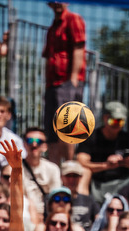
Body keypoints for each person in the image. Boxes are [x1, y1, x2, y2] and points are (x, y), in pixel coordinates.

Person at [42, 2, 85, 164]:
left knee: (68, 126)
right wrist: (46, 84)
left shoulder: (74, 19)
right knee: (52, 130)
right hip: (52, 85)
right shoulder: (52, 27)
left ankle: (69, 166)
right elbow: (48, 57)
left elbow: (78, 49)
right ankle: (54, 169)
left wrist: (73, 79)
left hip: (67, 82)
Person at [76, 101, 129, 203]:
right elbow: (80, 162)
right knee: (84, 172)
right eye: (113, 120)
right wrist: (106, 165)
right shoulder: (91, 137)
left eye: (120, 121)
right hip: (96, 183)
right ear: (104, 118)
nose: (116, 124)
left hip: (123, 183)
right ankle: (83, 207)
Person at [21, 126, 61, 225]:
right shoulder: (15, 168)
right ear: (24, 144)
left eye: (38, 141)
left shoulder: (52, 169)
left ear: (44, 146)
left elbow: (56, 197)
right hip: (24, 215)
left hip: (47, 215)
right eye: (30, 140)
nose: (34, 144)